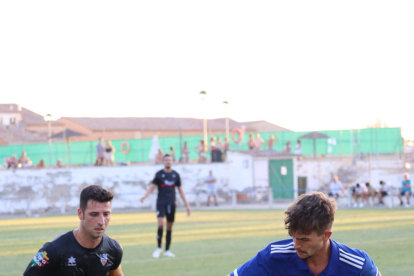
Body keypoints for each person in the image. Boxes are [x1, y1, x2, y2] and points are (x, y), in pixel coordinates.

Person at [227, 192, 381, 276]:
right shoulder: (274, 256)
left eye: (304, 239)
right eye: (293, 237)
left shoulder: (357, 265)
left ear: (326, 235)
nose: (296, 245)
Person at [23, 185, 124, 276]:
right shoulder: (52, 251)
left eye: (106, 214)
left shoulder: (114, 249)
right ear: (80, 213)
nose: (101, 221)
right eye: (94, 214)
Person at [140, 154, 191, 258]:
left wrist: (187, 205)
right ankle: (158, 248)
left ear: (172, 162)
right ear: (163, 162)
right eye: (166, 160)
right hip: (161, 203)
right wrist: (144, 196)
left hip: (171, 204)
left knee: (169, 226)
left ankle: (167, 250)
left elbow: (181, 191)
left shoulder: (176, 175)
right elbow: (152, 187)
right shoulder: (159, 174)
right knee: (160, 223)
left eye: (170, 160)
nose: (168, 161)